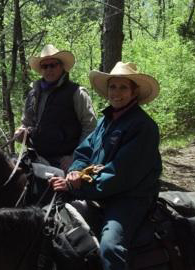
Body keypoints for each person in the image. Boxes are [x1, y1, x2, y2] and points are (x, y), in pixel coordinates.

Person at [49, 61, 162, 270]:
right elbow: (84, 150)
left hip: (129, 197)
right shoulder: (106, 120)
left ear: (134, 92)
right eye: (112, 87)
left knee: (110, 246)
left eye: (123, 87)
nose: (116, 93)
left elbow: (121, 173)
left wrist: (78, 185)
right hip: (98, 189)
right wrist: (74, 172)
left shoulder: (143, 126)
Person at [14, 44, 96, 172]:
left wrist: (75, 157)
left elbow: (90, 129)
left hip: (64, 162)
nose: (48, 69)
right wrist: (21, 132)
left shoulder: (77, 93)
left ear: (62, 67)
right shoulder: (33, 94)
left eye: (53, 65)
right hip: (35, 157)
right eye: (44, 66)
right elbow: (26, 123)